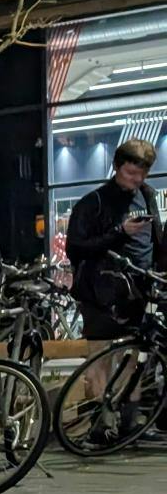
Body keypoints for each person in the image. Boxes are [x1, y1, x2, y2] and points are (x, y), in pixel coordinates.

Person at [64, 139, 162, 342]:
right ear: (116, 166)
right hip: (102, 297)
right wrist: (120, 232)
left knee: (133, 357)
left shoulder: (147, 195)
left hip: (140, 292)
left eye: (143, 174)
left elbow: (156, 241)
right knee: (101, 362)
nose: (137, 179)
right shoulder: (93, 203)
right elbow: (75, 248)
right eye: (131, 173)